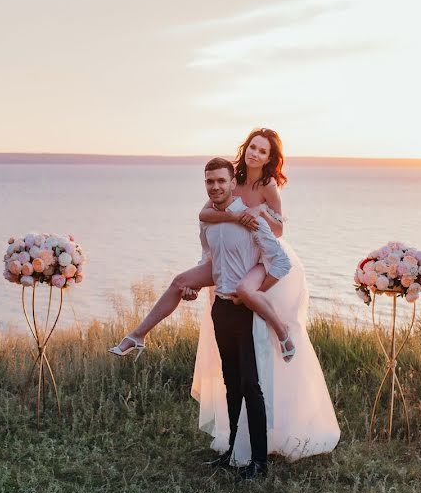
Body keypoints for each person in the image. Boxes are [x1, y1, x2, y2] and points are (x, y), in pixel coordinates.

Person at [109, 128, 295, 360]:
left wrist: (260, 212)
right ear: (245, 148)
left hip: (259, 257)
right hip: (230, 252)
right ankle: (138, 335)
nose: (254, 153)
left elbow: (278, 231)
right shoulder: (231, 179)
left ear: (269, 158)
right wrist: (236, 216)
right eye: (252, 147)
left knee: (245, 291)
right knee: (180, 282)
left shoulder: (268, 186)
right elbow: (204, 214)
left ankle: (282, 332)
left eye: (262, 151)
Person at [196, 157, 290, 479]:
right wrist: (193, 288)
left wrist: (252, 292)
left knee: (252, 385)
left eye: (222, 181)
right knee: (231, 384)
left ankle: (259, 462)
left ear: (232, 183)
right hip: (220, 310)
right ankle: (234, 452)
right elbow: (207, 259)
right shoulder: (207, 221)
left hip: (245, 311)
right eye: (210, 182)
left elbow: (280, 263)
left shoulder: (251, 220)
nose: (216, 187)